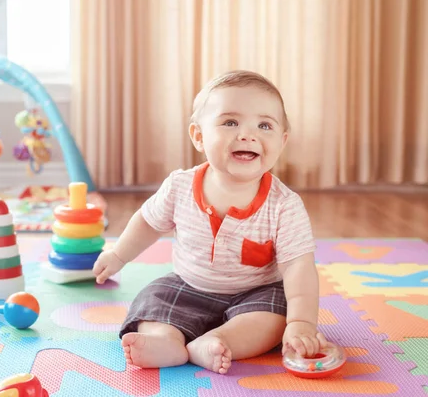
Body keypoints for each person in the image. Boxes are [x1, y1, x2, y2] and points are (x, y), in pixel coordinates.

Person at [92, 70, 329, 375]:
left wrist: (301, 324)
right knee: (152, 300)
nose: (247, 134)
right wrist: (118, 255)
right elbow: (148, 223)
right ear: (199, 136)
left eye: (264, 125)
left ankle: (216, 341)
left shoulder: (284, 205)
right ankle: (166, 341)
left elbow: (298, 266)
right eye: (230, 122)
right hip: (190, 285)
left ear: (282, 141)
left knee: (276, 316)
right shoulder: (180, 186)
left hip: (256, 293)